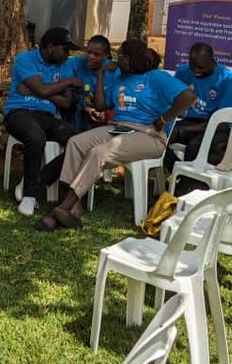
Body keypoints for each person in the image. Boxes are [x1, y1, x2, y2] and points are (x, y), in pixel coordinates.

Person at [36, 38, 196, 231]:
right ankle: (73, 209)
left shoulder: (156, 77)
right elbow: (101, 105)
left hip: (149, 134)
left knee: (99, 152)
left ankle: (61, 208)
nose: (116, 61)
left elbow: (188, 97)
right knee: (76, 142)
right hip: (118, 127)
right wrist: (103, 73)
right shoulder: (120, 78)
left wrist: (163, 119)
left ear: (131, 59)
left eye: (120, 57)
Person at [3, 27, 77, 217]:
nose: (67, 54)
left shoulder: (65, 65)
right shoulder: (25, 59)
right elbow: (43, 91)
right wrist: (66, 83)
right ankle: (29, 196)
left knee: (79, 142)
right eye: (65, 49)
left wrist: (40, 89)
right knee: (36, 137)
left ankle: (38, 178)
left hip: (47, 117)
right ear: (51, 46)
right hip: (19, 112)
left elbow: (66, 103)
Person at [166, 42, 232, 171]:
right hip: (186, 121)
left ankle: (186, 182)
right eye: (193, 67)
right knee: (158, 138)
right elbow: (171, 100)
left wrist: (184, 130)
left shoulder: (228, 80)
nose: (196, 72)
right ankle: (176, 172)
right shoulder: (183, 71)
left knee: (195, 148)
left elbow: (224, 123)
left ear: (212, 60)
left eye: (201, 68)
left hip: (214, 126)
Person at [59, 35, 113, 132]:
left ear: (106, 55)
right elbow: (65, 89)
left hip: (103, 113)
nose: (90, 57)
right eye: (88, 52)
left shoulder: (113, 71)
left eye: (96, 54)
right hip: (79, 111)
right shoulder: (74, 63)